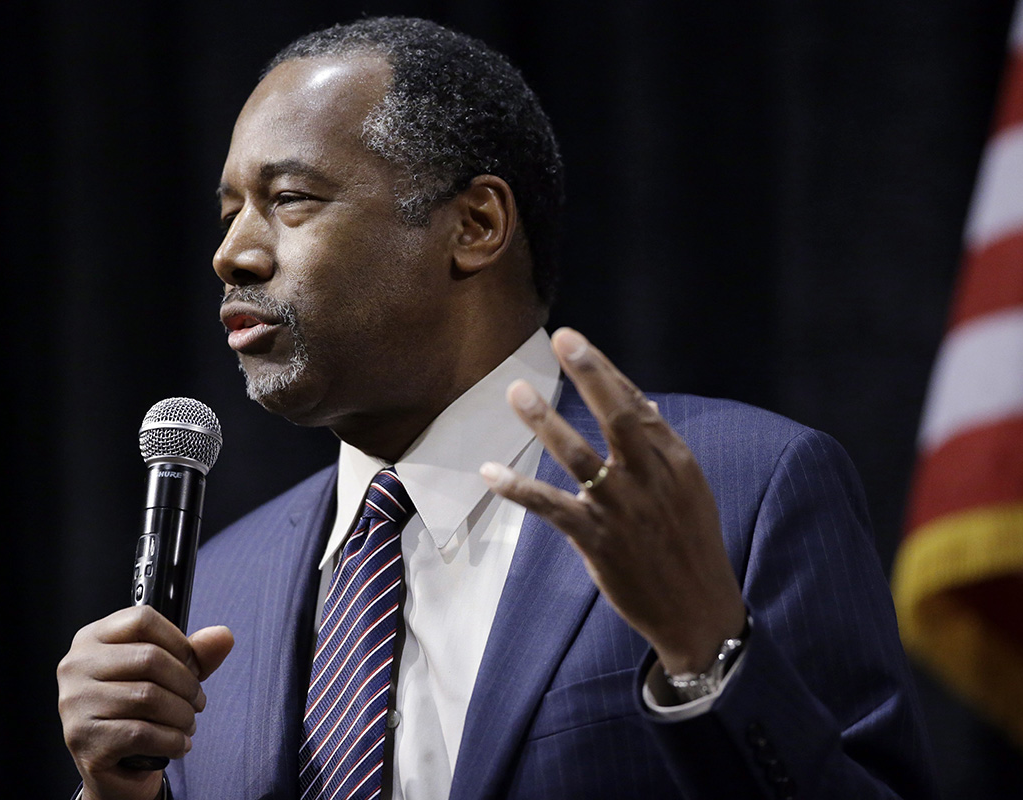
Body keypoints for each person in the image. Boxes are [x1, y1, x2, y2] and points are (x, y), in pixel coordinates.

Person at [57, 16, 937, 800]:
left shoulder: (741, 487)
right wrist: (112, 794)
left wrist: (707, 650)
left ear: (475, 225)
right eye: (228, 213)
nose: (232, 253)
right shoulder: (219, 587)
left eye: (288, 200)